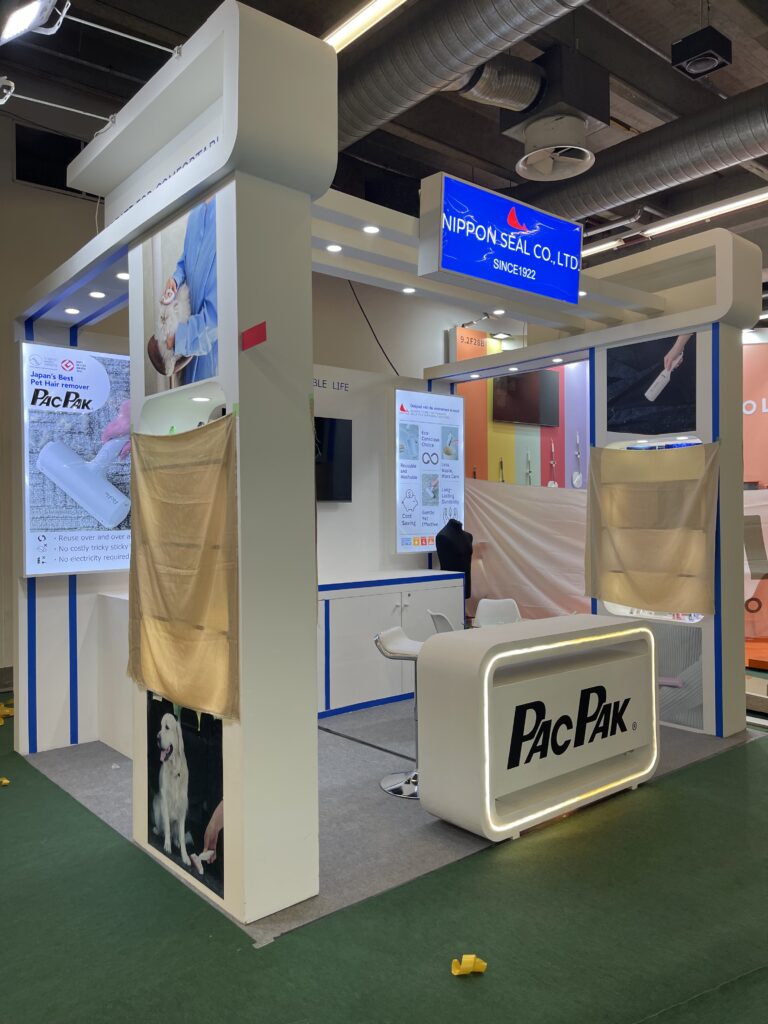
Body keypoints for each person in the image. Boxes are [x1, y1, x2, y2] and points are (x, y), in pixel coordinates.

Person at [161, 196, 218, 385]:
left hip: (212, 357)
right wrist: (175, 279)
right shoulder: (195, 212)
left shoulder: (228, 211)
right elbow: (185, 259)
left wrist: (179, 337)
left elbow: (218, 319)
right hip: (188, 354)